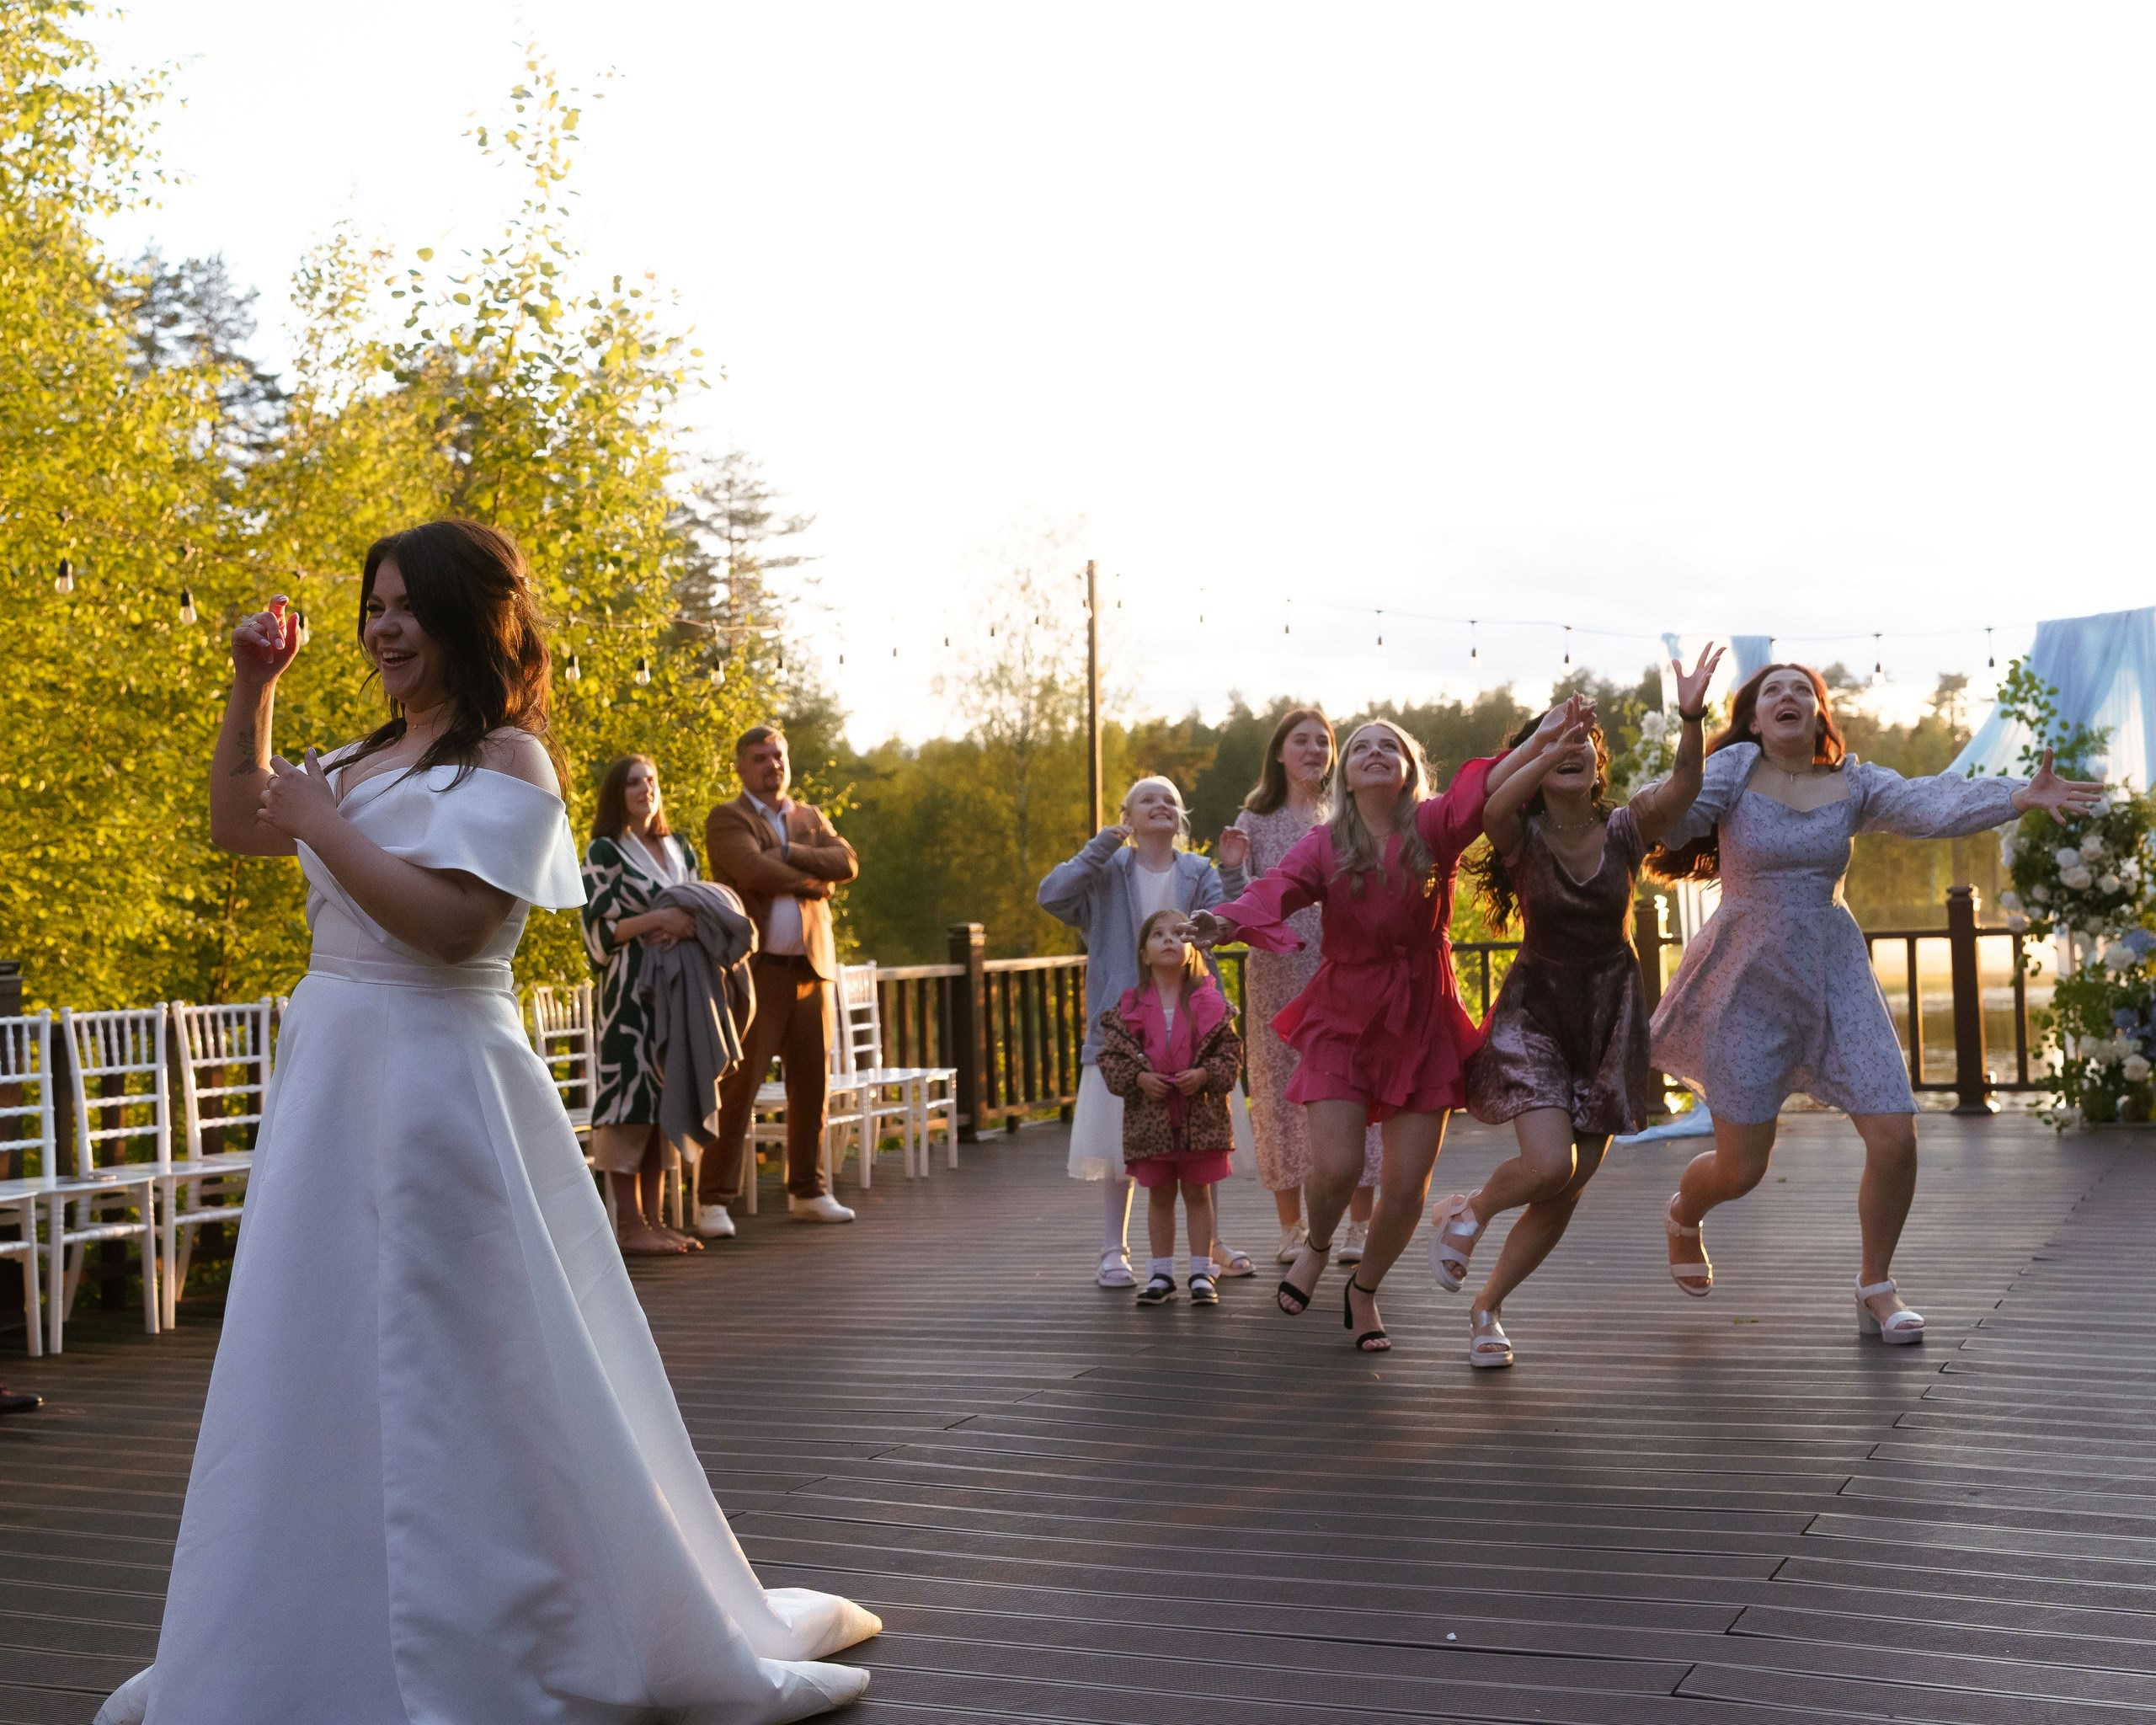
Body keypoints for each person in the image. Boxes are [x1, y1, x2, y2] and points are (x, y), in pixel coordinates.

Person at [97, 521, 878, 1725]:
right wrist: (254, 687)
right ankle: (317, 1619)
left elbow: (455, 927)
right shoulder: (360, 758)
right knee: (324, 1346)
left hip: (436, 1079)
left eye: (409, 605)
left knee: (471, 1359)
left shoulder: (511, 764)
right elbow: (237, 818)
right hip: (333, 1075)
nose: (384, 627)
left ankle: (505, 1617)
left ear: (470, 620)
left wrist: (320, 820)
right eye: (375, 605)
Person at [1646, 662, 2100, 1343]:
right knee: (1742, 1169)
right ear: (1755, 718)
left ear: (1821, 714)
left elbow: (1930, 802)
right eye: (1773, 691)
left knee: (1894, 1136)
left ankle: (1875, 1286)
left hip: (1834, 971)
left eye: (1802, 689)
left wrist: (2016, 796)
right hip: (1747, 977)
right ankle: (1684, 1213)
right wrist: (1688, 725)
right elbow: (1674, 816)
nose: (1788, 697)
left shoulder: (1854, 783)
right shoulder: (1733, 771)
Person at [1190, 710, 1577, 1352]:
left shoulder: (1432, 826)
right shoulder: (1324, 843)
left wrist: (1543, 742)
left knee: (1403, 1186)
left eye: (1388, 745)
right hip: (1344, 1010)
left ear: (1407, 770)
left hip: (1422, 1016)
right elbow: (1278, 889)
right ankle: (1316, 1245)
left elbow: (1480, 790)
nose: (1373, 751)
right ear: (1347, 772)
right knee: (1337, 1167)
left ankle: (1364, 1290)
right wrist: (1227, 921)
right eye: (1362, 745)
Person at [1433, 649, 1721, 1368]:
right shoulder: (1521, 837)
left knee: (1565, 1186)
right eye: (1558, 746)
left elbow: (1687, 784)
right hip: (1537, 1014)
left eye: (1584, 747)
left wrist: (1692, 716)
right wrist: (1547, 744)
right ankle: (1471, 1212)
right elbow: (1495, 804)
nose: (1574, 755)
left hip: (1611, 1017)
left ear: (1599, 766)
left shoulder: (1626, 828)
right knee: (1546, 1163)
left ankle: (1486, 1310)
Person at [1038, 775, 1256, 1290]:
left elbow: (1230, 925)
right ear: (1128, 816)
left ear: (1180, 819)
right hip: (1126, 1026)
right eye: (1147, 800)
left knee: (1201, 1136)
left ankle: (1212, 1245)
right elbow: (1051, 895)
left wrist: (1231, 871)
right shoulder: (1106, 870)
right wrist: (1099, 847)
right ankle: (1114, 1249)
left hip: (1193, 1021)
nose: (1160, 806)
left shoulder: (1197, 871)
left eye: (1170, 802)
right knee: (1122, 1141)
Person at [1217, 706, 1382, 1267]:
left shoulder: (1349, 812)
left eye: (1323, 742)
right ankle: (1292, 1229)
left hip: (1344, 969)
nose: (1314, 750)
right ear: (1280, 753)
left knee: (1358, 1091)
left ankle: (1361, 1226)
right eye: (1302, 741)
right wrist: (1231, 867)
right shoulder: (1256, 819)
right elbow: (1239, 904)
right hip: (1277, 975)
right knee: (1281, 1098)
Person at [699, 726, 859, 1231]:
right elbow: (750, 871)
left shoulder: (810, 817)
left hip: (812, 971)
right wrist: (817, 883)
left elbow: (848, 862)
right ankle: (713, 1199)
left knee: (812, 1085)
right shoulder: (728, 817)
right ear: (741, 767)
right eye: (761, 757)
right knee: (740, 1086)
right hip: (757, 972)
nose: (773, 764)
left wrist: (788, 853)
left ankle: (808, 1191)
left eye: (779, 755)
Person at [581, 754, 703, 1255]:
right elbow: (597, 931)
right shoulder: (604, 852)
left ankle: (654, 1222)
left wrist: (688, 924)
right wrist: (660, 922)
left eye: (651, 780)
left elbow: (700, 909)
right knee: (628, 1101)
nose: (645, 789)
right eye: (633, 782)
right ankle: (628, 1227)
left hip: (676, 993)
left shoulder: (682, 848)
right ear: (618, 793)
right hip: (628, 998)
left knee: (662, 1103)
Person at [1096, 911, 1246, 1307]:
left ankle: (1201, 1271)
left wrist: (1204, 1074)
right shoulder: (1125, 1011)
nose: (1169, 940)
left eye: (1179, 934)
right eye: (1158, 935)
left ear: (1193, 947)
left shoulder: (1213, 1004)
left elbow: (1231, 1057)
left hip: (1202, 1119)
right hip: (1150, 1122)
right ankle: (1160, 1273)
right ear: (1144, 954)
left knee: (1198, 1193)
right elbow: (1112, 1062)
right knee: (1159, 1195)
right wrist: (1139, 1079)